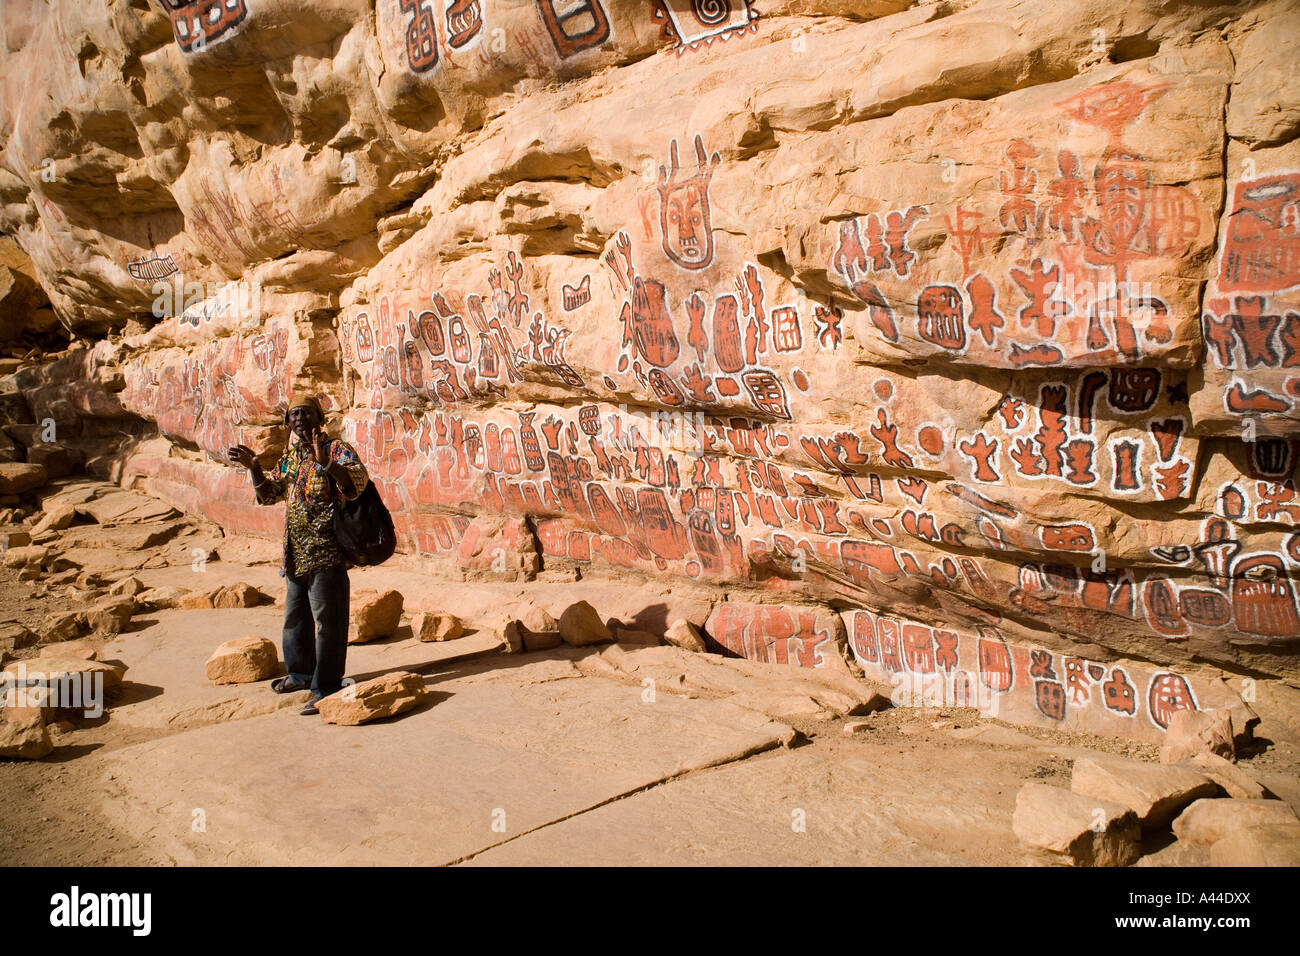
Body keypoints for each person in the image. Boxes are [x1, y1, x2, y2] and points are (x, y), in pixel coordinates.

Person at [227, 396, 369, 715]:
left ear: (319, 418)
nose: (300, 418)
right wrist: (253, 469)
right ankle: (301, 675)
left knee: (328, 624)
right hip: (295, 554)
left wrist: (327, 464)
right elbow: (268, 495)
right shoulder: (290, 458)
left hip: (327, 553)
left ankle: (327, 687)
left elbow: (356, 484)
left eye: (306, 412)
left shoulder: (336, 449)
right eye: (294, 414)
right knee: (295, 620)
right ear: (288, 423)